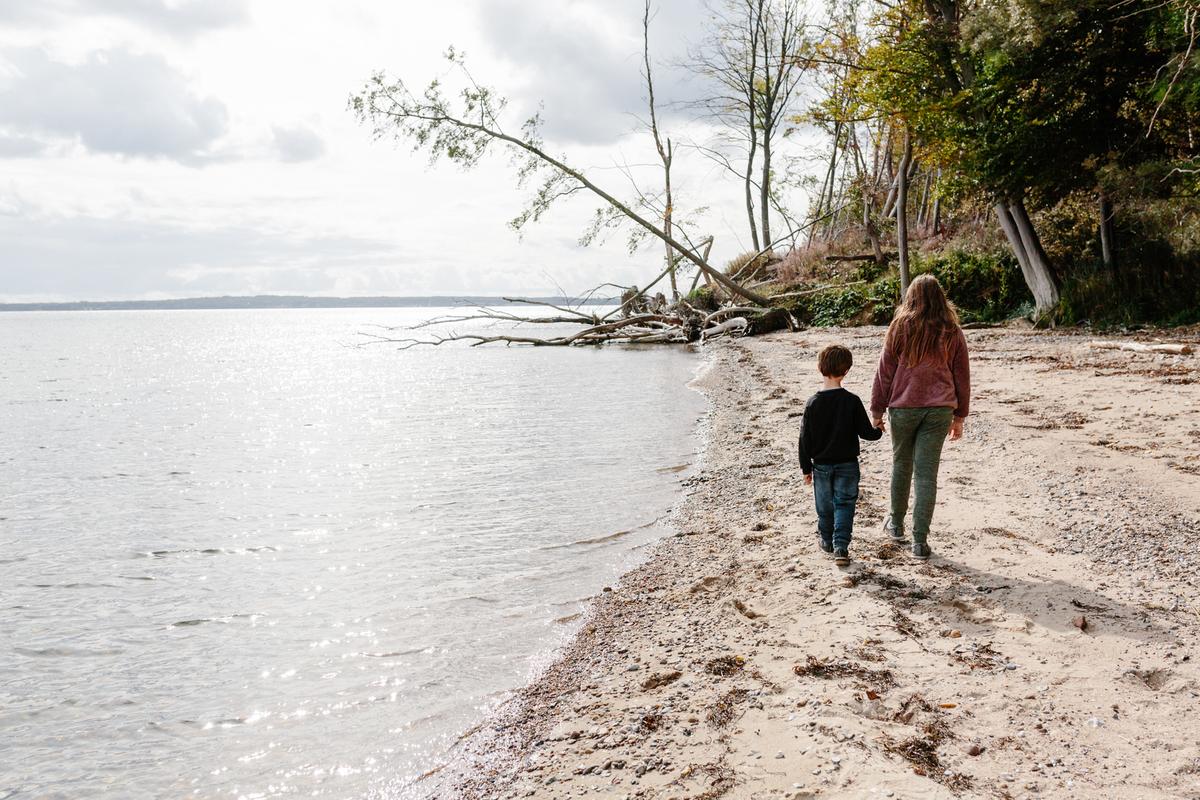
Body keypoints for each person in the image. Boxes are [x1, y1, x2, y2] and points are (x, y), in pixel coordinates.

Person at [870, 274, 971, 562]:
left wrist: (877, 410)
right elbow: (961, 376)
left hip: (903, 408)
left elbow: (884, 373)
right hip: (939, 410)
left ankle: (897, 525)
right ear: (941, 298)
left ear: (911, 296)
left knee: (902, 465)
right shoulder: (951, 330)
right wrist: (960, 415)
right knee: (927, 474)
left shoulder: (900, 327)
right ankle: (920, 542)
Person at [799, 344, 884, 567]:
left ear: (820, 368)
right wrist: (879, 430)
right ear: (846, 371)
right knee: (845, 504)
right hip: (847, 464)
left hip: (821, 466)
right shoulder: (851, 401)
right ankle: (841, 547)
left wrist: (806, 468)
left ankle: (826, 540)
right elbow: (867, 433)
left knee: (825, 506)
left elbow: (804, 440)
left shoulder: (813, 403)